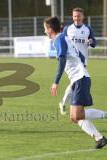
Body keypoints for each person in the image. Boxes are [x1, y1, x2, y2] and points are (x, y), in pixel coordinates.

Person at [43, 16, 107, 149]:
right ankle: (100, 138)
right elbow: (81, 56)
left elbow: (62, 60)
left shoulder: (59, 39)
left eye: (45, 29)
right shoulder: (64, 38)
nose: (45, 32)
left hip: (80, 79)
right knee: (74, 117)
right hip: (79, 78)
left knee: (77, 115)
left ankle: (101, 132)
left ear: (50, 29)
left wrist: (56, 82)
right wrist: (80, 68)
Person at [59, 7, 96, 115]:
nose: (76, 18)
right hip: (71, 61)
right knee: (75, 82)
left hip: (83, 60)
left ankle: (64, 102)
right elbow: (62, 41)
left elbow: (94, 43)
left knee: (74, 83)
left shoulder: (87, 29)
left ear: (82, 17)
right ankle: (67, 103)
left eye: (78, 16)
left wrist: (91, 41)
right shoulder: (68, 29)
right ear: (72, 17)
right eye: (74, 16)